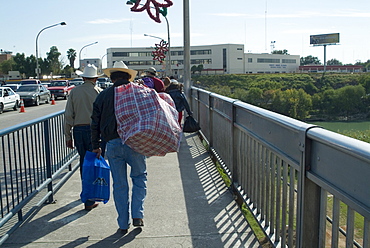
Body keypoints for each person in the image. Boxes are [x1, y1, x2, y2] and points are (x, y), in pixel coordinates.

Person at [91, 61, 147, 234]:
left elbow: (95, 122)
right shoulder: (138, 92)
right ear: (128, 77)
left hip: (113, 143)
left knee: (120, 184)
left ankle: (123, 223)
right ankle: (137, 214)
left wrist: (96, 146)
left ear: (112, 78)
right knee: (139, 177)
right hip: (135, 142)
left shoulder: (103, 95)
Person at [64, 64, 103, 211]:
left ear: (83, 77)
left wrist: (68, 135)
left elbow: (68, 115)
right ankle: (90, 198)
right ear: (95, 78)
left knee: (83, 163)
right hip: (94, 131)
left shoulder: (74, 92)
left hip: (78, 130)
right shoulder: (99, 92)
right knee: (94, 164)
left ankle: (86, 196)